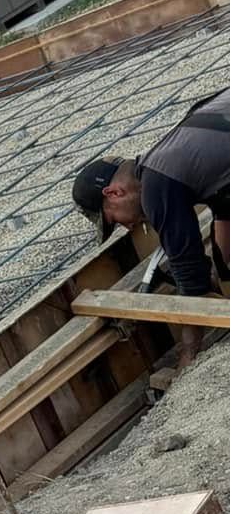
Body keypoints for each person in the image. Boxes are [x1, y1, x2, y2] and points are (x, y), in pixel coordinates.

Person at [72, 88, 230, 371]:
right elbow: (225, 212)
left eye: (114, 220)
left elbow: (191, 282)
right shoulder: (181, 150)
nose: (129, 226)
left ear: (114, 193)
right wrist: (225, 274)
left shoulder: (156, 185)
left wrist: (188, 360)